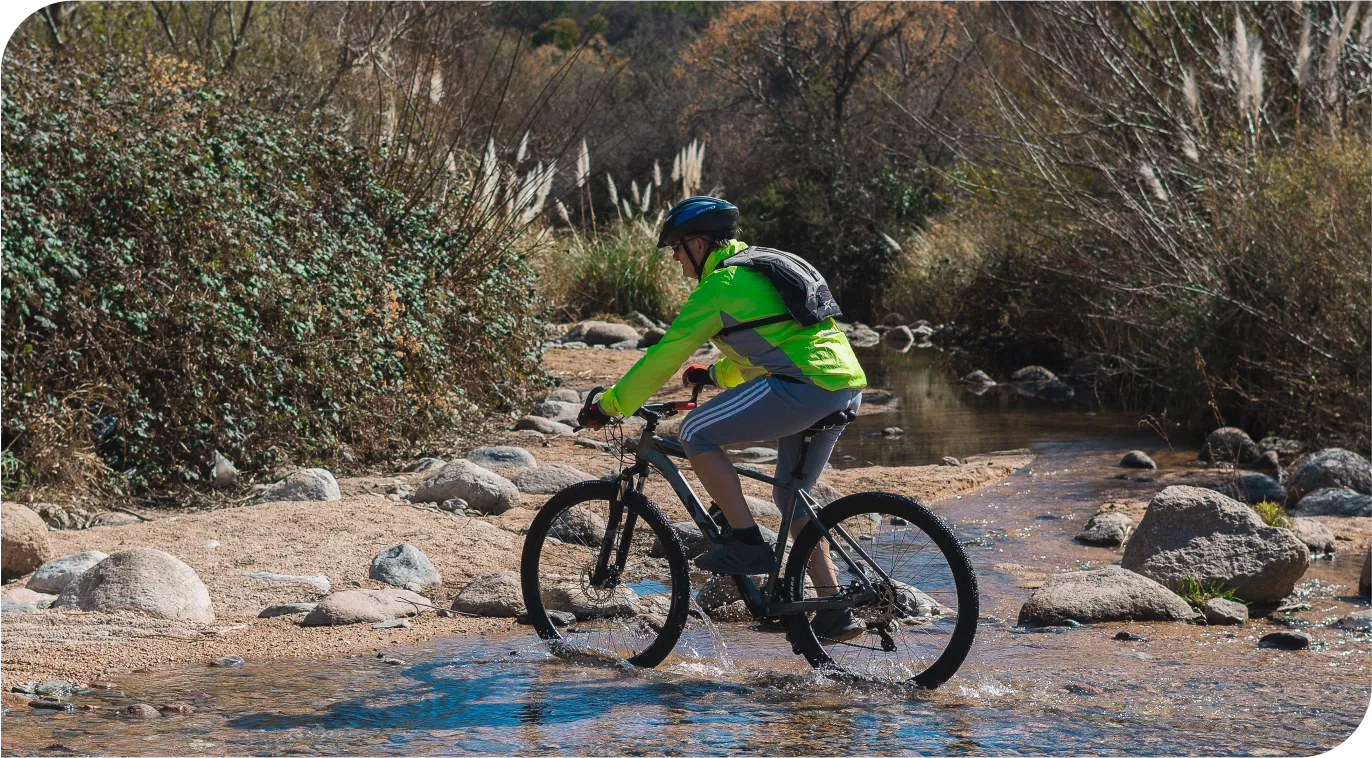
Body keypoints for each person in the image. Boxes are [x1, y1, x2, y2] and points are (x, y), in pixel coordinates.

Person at [576, 196, 869, 642]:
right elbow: (773, 342)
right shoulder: (760, 268)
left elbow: (664, 355)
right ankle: (833, 611)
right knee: (792, 496)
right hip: (843, 382)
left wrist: (610, 405)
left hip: (805, 384)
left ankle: (747, 543)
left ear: (698, 242)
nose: (674, 257)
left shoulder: (719, 286)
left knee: (695, 430)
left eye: (676, 247)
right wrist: (714, 373)